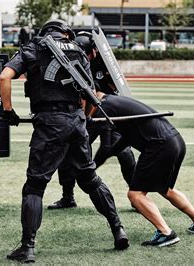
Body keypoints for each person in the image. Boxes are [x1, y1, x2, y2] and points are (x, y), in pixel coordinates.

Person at [0, 19, 129, 263]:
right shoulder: (78, 50)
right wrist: (85, 119)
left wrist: (8, 111)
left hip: (49, 124)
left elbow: (5, 77)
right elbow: (90, 93)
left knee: (35, 186)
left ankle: (27, 247)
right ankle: (118, 228)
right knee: (90, 179)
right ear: (65, 33)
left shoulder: (33, 48)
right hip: (76, 122)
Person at [89, 91, 194, 247]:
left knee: (135, 195)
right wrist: (112, 152)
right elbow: (125, 137)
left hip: (159, 145)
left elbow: (102, 144)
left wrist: (91, 167)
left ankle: (165, 233)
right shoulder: (115, 102)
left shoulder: (104, 108)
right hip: (176, 141)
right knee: (165, 189)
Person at [48, 31, 136, 209]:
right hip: (87, 113)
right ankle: (68, 196)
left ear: (94, 51)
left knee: (125, 153)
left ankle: (136, 194)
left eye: (86, 53)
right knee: (69, 151)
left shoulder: (104, 62)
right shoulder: (72, 60)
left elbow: (116, 87)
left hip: (108, 112)